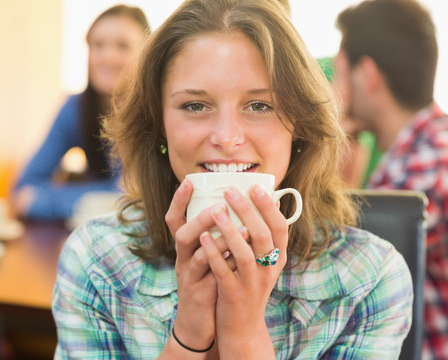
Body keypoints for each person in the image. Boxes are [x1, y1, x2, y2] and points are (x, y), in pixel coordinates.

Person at [52, 0, 413, 358]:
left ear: (300, 127)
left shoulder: (371, 278)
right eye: (195, 105)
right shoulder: (97, 262)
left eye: (260, 106)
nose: (227, 137)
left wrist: (243, 333)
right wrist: (189, 334)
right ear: (158, 127)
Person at [334, 1, 448, 358]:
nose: (333, 89)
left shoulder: (424, 166)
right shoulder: (418, 150)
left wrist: (325, 137)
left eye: (338, 74)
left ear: (366, 74)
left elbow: (347, 264)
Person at [13, 5, 150, 221]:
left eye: (123, 46)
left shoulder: (156, 114)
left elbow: (134, 199)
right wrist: (105, 196)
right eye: (98, 45)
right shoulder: (75, 109)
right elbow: (23, 192)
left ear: (146, 54)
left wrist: (53, 198)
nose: (108, 57)